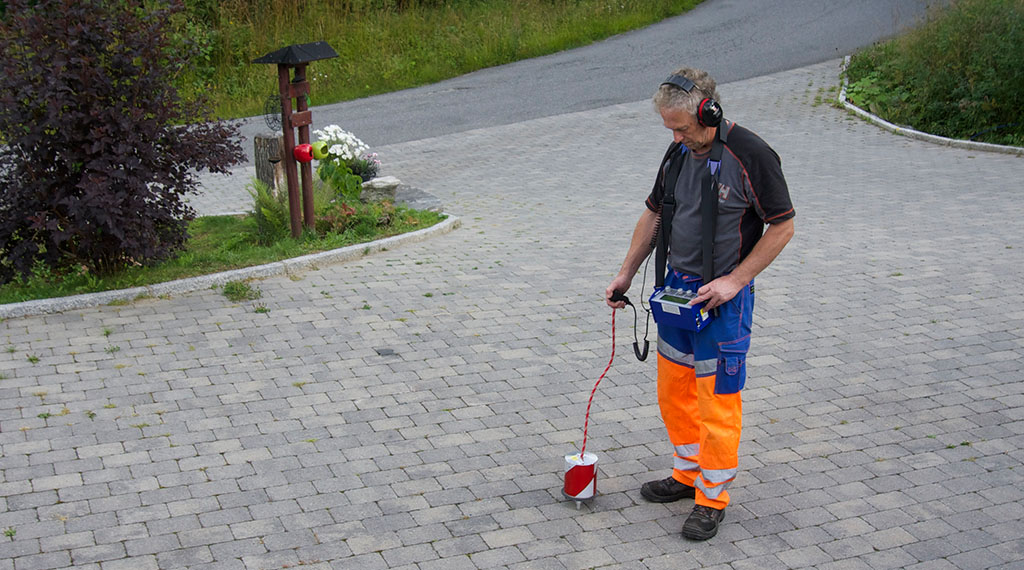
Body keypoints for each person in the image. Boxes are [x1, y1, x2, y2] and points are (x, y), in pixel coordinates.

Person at [605, 67, 795, 540]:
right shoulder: (676, 154)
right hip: (675, 295)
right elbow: (654, 214)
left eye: (682, 127)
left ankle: (712, 498)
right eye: (669, 127)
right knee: (675, 394)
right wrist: (627, 272)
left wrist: (736, 280)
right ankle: (688, 474)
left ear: (709, 112)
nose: (676, 136)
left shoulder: (751, 154)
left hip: (722, 303)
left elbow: (783, 226)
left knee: (718, 403)